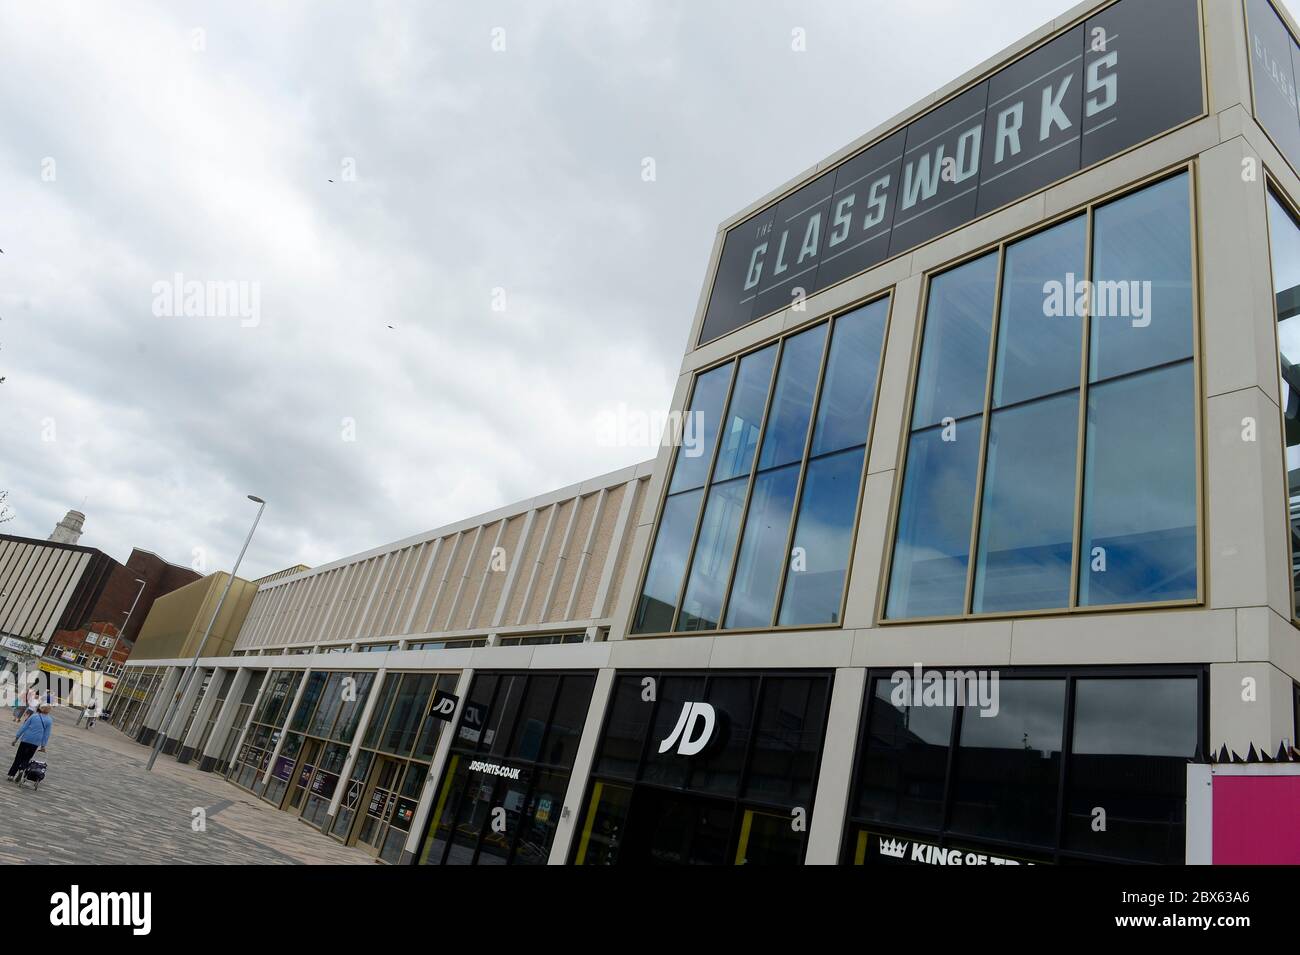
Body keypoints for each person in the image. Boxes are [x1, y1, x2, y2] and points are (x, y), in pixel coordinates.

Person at [8, 703, 51, 781]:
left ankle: (11, 775)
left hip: (26, 739)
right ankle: (22, 769)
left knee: (18, 757)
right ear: (48, 711)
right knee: (27, 758)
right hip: (36, 742)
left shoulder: (34, 716)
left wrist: (16, 738)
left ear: (41, 709)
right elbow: (46, 734)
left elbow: (24, 727)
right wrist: (43, 746)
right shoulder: (49, 720)